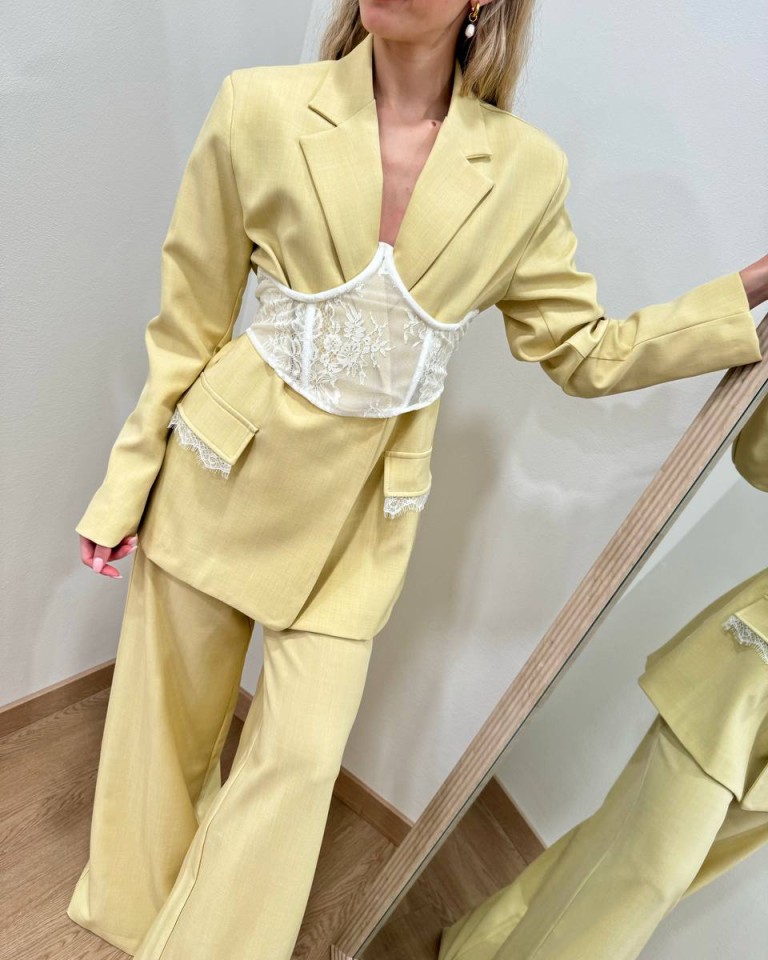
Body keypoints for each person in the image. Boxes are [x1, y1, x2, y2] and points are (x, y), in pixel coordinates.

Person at [66, 2, 768, 959]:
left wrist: (750, 286)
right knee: (164, 737)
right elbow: (188, 321)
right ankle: (135, 918)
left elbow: (586, 351)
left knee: (299, 764)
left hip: (360, 522)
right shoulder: (258, 107)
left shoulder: (523, 170)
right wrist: (125, 485)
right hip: (217, 469)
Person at [437, 389, 768, 960]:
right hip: (750, 680)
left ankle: (484, 943)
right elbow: (758, 459)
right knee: (650, 875)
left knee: (633, 859)